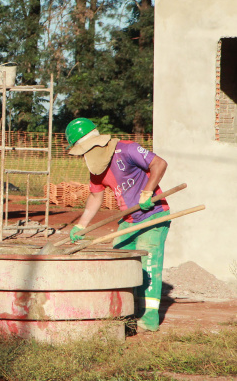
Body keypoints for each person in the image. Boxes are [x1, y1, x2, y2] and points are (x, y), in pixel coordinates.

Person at [65, 117, 170, 332]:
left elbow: (159, 163)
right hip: (129, 219)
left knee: (148, 265)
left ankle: (148, 318)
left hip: (154, 216)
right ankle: (124, 311)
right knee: (119, 262)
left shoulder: (127, 149)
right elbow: (95, 198)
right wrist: (81, 226)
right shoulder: (97, 169)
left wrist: (148, 191)